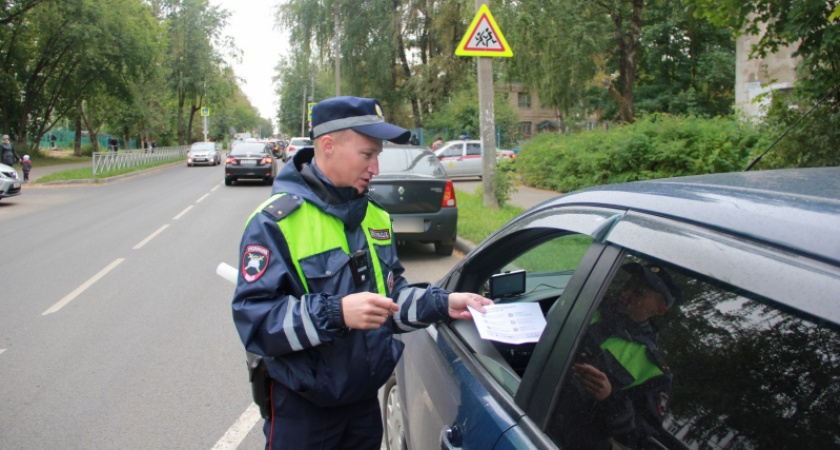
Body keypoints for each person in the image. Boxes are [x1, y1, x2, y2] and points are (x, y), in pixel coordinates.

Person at [231, 96, 493, 450]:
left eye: (378, 156)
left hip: (363, 408)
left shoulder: (375, 216)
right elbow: (257, 322)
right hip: (304, 412)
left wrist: (444, 302)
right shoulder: (275, 223)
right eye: (367, 155)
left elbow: (391, 300)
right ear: (328, 146)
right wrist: (337, 312)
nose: (376, 169)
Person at [554, 261, 682, 450]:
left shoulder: (653, 370)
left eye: (638, 293)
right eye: (627, 285)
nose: (624, 293)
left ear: (659, 309)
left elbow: (638, 438)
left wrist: (609, 397)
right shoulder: (587, 306)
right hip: (529, 406)